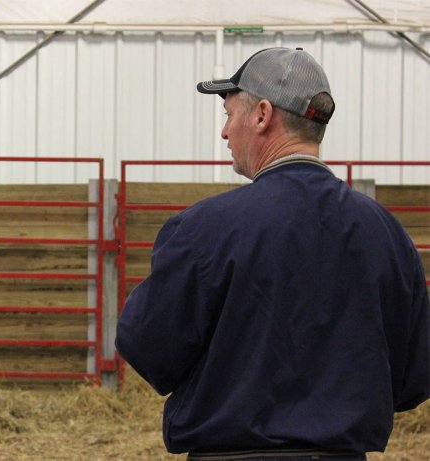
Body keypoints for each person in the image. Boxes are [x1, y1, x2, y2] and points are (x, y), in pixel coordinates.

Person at [116, 47, 430, 460]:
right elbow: (413, 378)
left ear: (262, 115)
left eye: (229, 115)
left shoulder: (205, 228)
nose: (225, 133)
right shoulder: (386, 234)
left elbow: (147, 347)